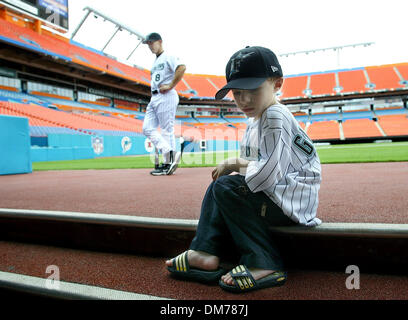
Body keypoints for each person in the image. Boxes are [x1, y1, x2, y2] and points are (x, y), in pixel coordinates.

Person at [165, 46, 322, 293]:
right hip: (281, 193)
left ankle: (264, 262)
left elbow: (267, 176)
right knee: (222, 185)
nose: (244, 100)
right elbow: (255, 169)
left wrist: (234, 164)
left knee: (226, 186)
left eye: (253, 90)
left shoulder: (274, 116)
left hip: (291, 199)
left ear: (277, 83)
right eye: (237, 93)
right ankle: (204, 251)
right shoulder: (256, 120)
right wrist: (234, 166)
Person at [142, 32, 186, 176]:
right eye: (148, 44)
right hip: (154, 96)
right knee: (147, 128)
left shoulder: (168, 56)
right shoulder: (155, 62)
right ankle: (170, 153)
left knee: (167, 129)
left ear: (160, 42)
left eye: (151, 43)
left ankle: (168, 162)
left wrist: (171, 85)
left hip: (165, 95)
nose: (150, 46)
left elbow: (182, 67)